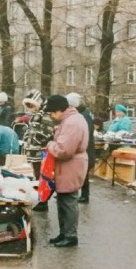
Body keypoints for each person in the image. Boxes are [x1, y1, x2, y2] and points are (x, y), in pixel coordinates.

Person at [43, 95, 89, 247]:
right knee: (63, 200)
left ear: (59, 110)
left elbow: (64, 150)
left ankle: (70, 236)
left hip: (70, 165)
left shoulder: (71, 123)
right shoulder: (72, 120)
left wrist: (50, 144)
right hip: (69, 165)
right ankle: (64, 233)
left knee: (68, 201)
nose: (51, 116)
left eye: (52, 112)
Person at [66, 93, 96, 204]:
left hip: (86, 148)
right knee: (80, 172)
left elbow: (85, 132)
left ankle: (84, 196)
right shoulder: (83, 114)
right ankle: (79, 194)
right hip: (85, 148)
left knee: (83, 173)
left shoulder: (84, 116)